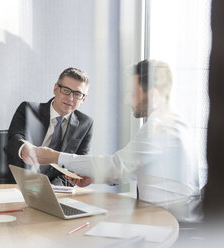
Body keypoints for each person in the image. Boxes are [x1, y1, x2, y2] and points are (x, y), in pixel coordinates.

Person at [26, 60, 202, 222]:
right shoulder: (173, 121)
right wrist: (95, 177)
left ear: (153, 93)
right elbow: (136, 170)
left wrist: (55, 157)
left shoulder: (161, 126)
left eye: (132, 93)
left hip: (169, 221)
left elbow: (117, 166)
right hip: (163, 214)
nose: (127, 100)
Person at [6, 67, 93, 186]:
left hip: (56, 189)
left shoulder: (86, 123)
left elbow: (78, 167)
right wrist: (24, 149)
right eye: (66, 90)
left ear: (84, 98)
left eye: (77, 94)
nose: (70, 98)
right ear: (56, 88)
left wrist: (52, 189)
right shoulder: (28, 109)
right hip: (18, 183)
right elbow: (14, 138)